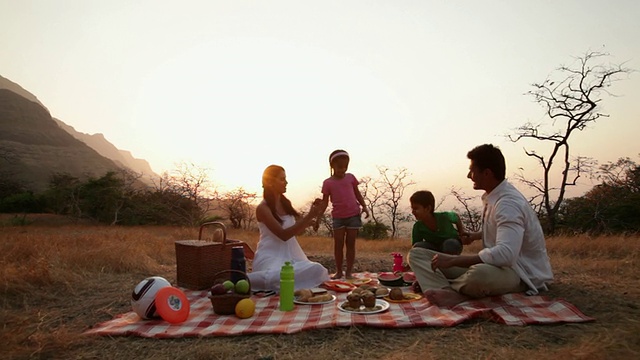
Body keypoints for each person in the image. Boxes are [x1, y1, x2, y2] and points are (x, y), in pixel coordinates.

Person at [407, 144, 553, 307]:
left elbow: (506, 254)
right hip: (496, 267)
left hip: (520, 273)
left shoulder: (507, 203)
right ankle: (447, 289)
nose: (469, 175)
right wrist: (477, 235)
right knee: (417, 254)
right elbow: (502, 231)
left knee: (478, 275)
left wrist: (455, 260)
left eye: (472, 170)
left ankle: (452, 291)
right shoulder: (495, 197)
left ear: (487, 173)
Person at [247, 165, 330, 292]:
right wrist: (309, 216)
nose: (286, 182)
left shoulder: (286, 204)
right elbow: (283, 235)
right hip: (270, 259)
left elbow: (296, 232)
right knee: (276, 277)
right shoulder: (263, 208)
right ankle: (254, 280)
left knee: (317, 269)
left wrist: (311, 218)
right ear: (270, 182)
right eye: (282, 179)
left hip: (291, 259)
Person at [318, 149, 370, 279]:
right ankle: (339, 271)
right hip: (338, 218)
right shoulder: (328, 183)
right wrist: (318, 217)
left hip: (353, 215)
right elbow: (324, 203)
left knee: (351, 244)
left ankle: (349, 272)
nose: (343, 170)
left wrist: (364, 206)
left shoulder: (350, 178)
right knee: (338, 244)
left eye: (345, 167)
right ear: (332, 166)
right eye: (339, 167)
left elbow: (357, 194)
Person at [409, 190, 467, 255]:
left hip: (452, 244)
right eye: (412, 208)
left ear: (428, 208)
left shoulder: (444, 217)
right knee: (418, 247)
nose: (413, 212)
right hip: (435, 247)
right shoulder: (418, 226)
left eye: (416, 208)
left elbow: (456, 217)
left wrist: (461, 232)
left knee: (449, 244)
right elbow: (415, 246)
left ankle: (451, 262)